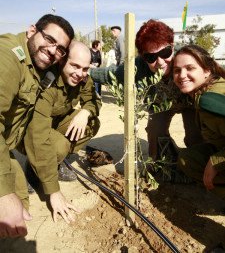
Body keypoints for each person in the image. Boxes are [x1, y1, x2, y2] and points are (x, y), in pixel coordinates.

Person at [0, 14, 74, 238]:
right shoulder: (8, 58)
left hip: (10, 139)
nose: (53, 50)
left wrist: (52, 190)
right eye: (50, 39)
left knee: (20, 210)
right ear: (32, 31)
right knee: (12, 208)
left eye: (60, 48)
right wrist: (3, 194)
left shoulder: (38, 67)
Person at [90, 19, 203, 160]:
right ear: (144, 57)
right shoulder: (138, 66)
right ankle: (164, 163)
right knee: (155, 131)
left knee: (196, 136)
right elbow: (111, 74)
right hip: (160, 105)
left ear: (172, 47)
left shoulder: (187, 56)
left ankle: (198, 165)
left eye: (165, 52)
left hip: (190, 103)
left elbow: (213, 74)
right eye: (151, 57)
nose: (160, 62)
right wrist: (85, 72)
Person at [24, 40, 101, 224]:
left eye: (84, 68)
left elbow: (94, 101)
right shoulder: (48, 82)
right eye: (74, 66)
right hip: (33, 129)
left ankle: (56, 163)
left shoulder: (83, 78)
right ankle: (32, 171)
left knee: (91, 123)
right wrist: (53, 192)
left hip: (54, 124)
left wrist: (85, 112)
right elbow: (38, 133)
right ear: (62, 61)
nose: (79, 73)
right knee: (59, 145)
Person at [173, 44, 225, 201]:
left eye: (190, 68)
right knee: (188, 159)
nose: (182, 75)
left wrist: (216, 162)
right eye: (177, 70)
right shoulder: (206, 89)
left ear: (207, 70)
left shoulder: (211, 100)